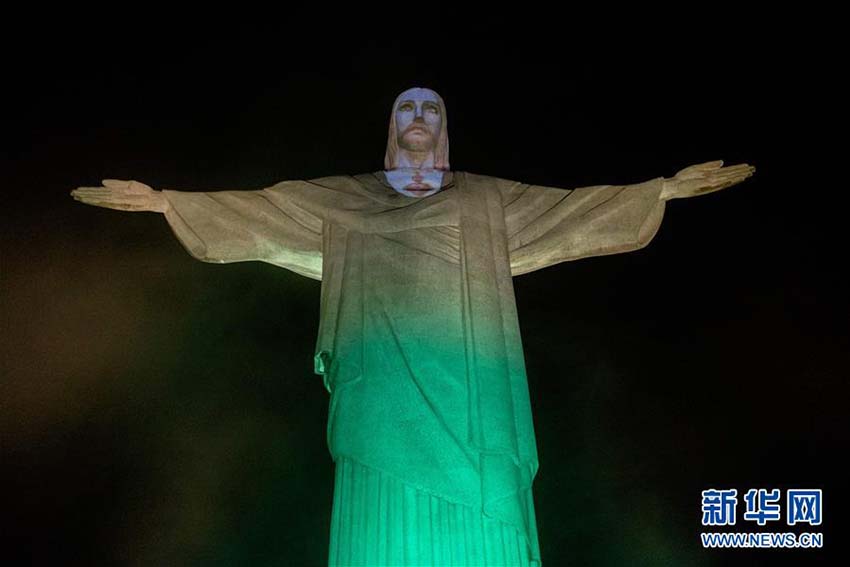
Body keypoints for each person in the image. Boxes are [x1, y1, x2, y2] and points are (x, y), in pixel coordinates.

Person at [72, 87, 754, 566]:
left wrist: (658, 190)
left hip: (472, 402)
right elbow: (260, 214)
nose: (420, 116)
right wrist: (168, 202)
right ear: (394, 128)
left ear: (445, 128)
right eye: (408, 108)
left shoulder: (487, 198)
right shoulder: (344, 199)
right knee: (380, 533)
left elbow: (573, 213)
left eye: (432, 107)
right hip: (381, 405)